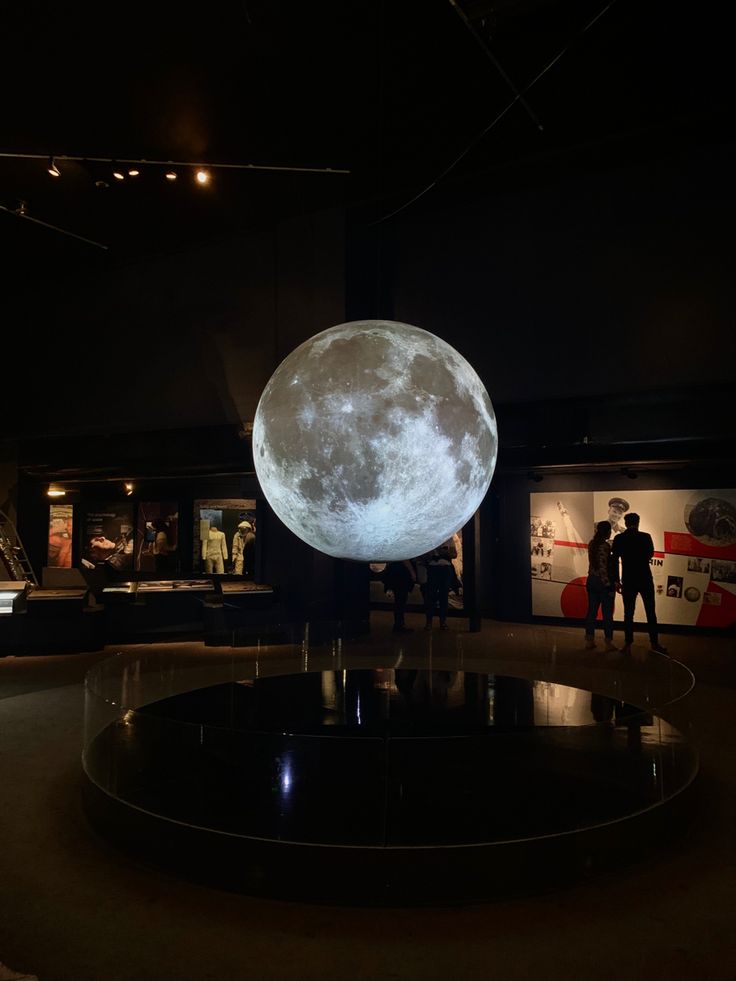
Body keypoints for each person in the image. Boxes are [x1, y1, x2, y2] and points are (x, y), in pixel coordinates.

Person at [611, 512, 668, 655]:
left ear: (626, 522)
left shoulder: (620, 538)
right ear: (638, 522)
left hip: (628, 579)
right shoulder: (645, 537)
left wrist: (617, 580)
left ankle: (628, 644)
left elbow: (614, 560)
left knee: (628, 613)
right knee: (651, 612)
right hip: (645, 578)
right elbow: (650, 555)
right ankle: (654, 643)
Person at [584, 520, 618, 652]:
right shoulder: (605, 546)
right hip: (602, 583)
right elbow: (603, 568)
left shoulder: (592, 544)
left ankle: (589, 641)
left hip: (591, 580)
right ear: (607, 532)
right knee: (607, 614)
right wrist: (608, 585)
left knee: (591, 612)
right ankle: (608, 642)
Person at [423, 540, 456, 631]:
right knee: (430, 596)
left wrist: (445, 552)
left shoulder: (449, 538)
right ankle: (429, 622)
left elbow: (454, 554)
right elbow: (423, 556)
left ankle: (443, 622)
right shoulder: (431, 538)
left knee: (444, 596)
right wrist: (430, 554)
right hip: (432, 569)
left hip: (445, 569)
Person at [383, 559, 416, 632]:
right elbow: (405, 559)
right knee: (401, 601)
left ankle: (398, 624)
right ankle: (399, 625)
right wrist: (412, 572)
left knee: (398, 601)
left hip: (394, 574)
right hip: (401, 575)